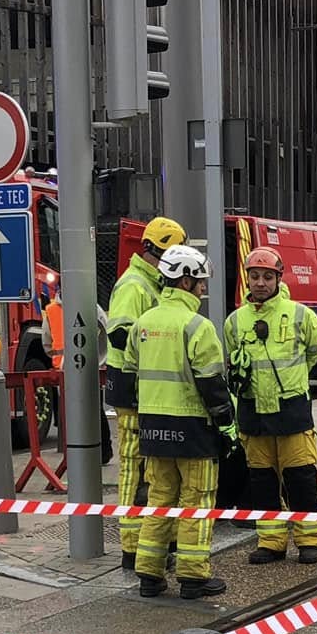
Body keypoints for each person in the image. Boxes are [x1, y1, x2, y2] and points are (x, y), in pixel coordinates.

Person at [132, 244, 234, 600]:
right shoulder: (197, 326)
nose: (203, 289)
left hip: (153, 428)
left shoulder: (143, 323)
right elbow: (212, 385)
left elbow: (130, 371)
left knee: (159, 498)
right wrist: (227, 427)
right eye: (201, 281)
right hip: (193, 430)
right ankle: (192, 577)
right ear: (186, 281)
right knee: (196, 501)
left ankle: (149, 575)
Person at [226, 245, 317, 565]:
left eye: (267, 277)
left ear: (279, 278)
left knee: (301, 479)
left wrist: (295, 380)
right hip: (253, 412)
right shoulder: (235, 321)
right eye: (255, 276)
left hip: (291, 410)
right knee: (262, 482)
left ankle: (308, 541)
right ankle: (271, 542)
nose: (260, 283)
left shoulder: (300, 315)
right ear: (247, 278)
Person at [106, 216, 185, 570]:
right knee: (135, 467)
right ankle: (133, 546)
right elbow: (119, 334)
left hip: (145, 387)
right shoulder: (134, 285)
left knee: (152, 469)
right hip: (132, 387)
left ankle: (152, 541)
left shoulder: (151, 283)